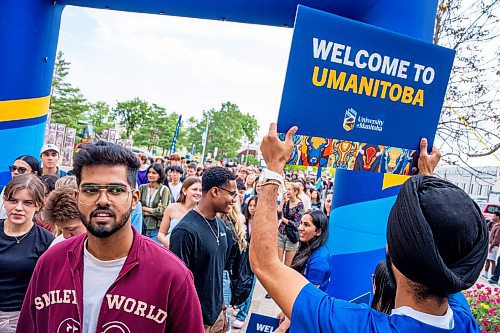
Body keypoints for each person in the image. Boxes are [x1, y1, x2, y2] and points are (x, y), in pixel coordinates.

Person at [250, 123, 487, 333]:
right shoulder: (465, 322)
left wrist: (274, 166)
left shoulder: (349, 324)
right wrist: (425, 180)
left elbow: (266, 263)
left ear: (391, 249)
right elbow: (446, 258)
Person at [17, 141, 204, 333]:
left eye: (116, 190)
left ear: (134, 199)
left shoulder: (171, 274)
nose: (103, 200)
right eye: (90, 190)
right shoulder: (51, 263)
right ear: (77, 197)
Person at [170, 167, 236, 333]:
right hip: (194, 321)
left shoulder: (222, 226)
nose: (233, 199)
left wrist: (222, 309)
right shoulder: (185, 231)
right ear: (215, 191)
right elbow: (178, 286)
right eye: (231, 193)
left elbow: (217, 271)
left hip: (217, 317)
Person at [0, 175, 54, 332]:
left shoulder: (46, 241)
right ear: (4, 200)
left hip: (18, 318)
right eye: (13, 201)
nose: (18, 207)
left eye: (27, 203)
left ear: (38, 205)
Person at [275, 209, 330, 333]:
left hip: (309, 317)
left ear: (318, 231)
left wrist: (284, 326)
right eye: (301, 223)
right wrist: (286, 310)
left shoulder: (319, 259)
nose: (300, 228)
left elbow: (309, 299)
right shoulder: (306, 248)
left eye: (306, 225)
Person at [231, 196, 258, 329]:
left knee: (249, 286)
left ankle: (242, 315)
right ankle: (238, 305)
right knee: (237, 282)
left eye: (255, 205)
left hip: (254, 260)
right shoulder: (242, 220)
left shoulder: (262, 224)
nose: (252, 208)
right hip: (240, 256)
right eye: (251, 205)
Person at [158, 177, 202, 248]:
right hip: (169, 251)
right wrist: (169, 244)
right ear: (184, 191)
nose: (198, 193)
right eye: (194, 189)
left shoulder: (202, 213)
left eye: (200, 190)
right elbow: (161, 233)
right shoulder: (172, 208)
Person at [0, 155, 41, 219]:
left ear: (34, 173)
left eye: (22, 170)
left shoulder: (40, 194)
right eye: (13, 168)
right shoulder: (1, 190)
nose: (15, 172)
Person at [139, 163, 172, 242]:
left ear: (159, 175)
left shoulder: (164, 190)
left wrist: (144, 208)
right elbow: (136, 208)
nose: (150, 175)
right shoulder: (142, 188)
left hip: (156, 229)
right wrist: (154, 211)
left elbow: (162, 212)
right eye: (149, 172)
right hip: (141, 227)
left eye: (154, 173)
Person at [277, 182, 304, 266]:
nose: (286, 191)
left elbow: (296, 223)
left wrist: (284, 219)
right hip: (281, 233)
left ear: (295, 192)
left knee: (288, 265)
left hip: (291, 235)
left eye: (289, 189)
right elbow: (278, 215)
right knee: (278, 262)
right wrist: (282, 201)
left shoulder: (300, 205)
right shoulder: (286, 202)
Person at [483, 211, 500, 279]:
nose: (493, 217)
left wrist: (491, 246)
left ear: (498, 217)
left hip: (494, 246)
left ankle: (492, 275)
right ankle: (486, 274)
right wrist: (490, 221)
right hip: (490, 244)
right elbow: (487, 227)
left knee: (492, 260)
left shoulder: (499, 226)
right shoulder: (494, 224)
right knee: (487, 259)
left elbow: (496, 238)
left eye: (494, 216)